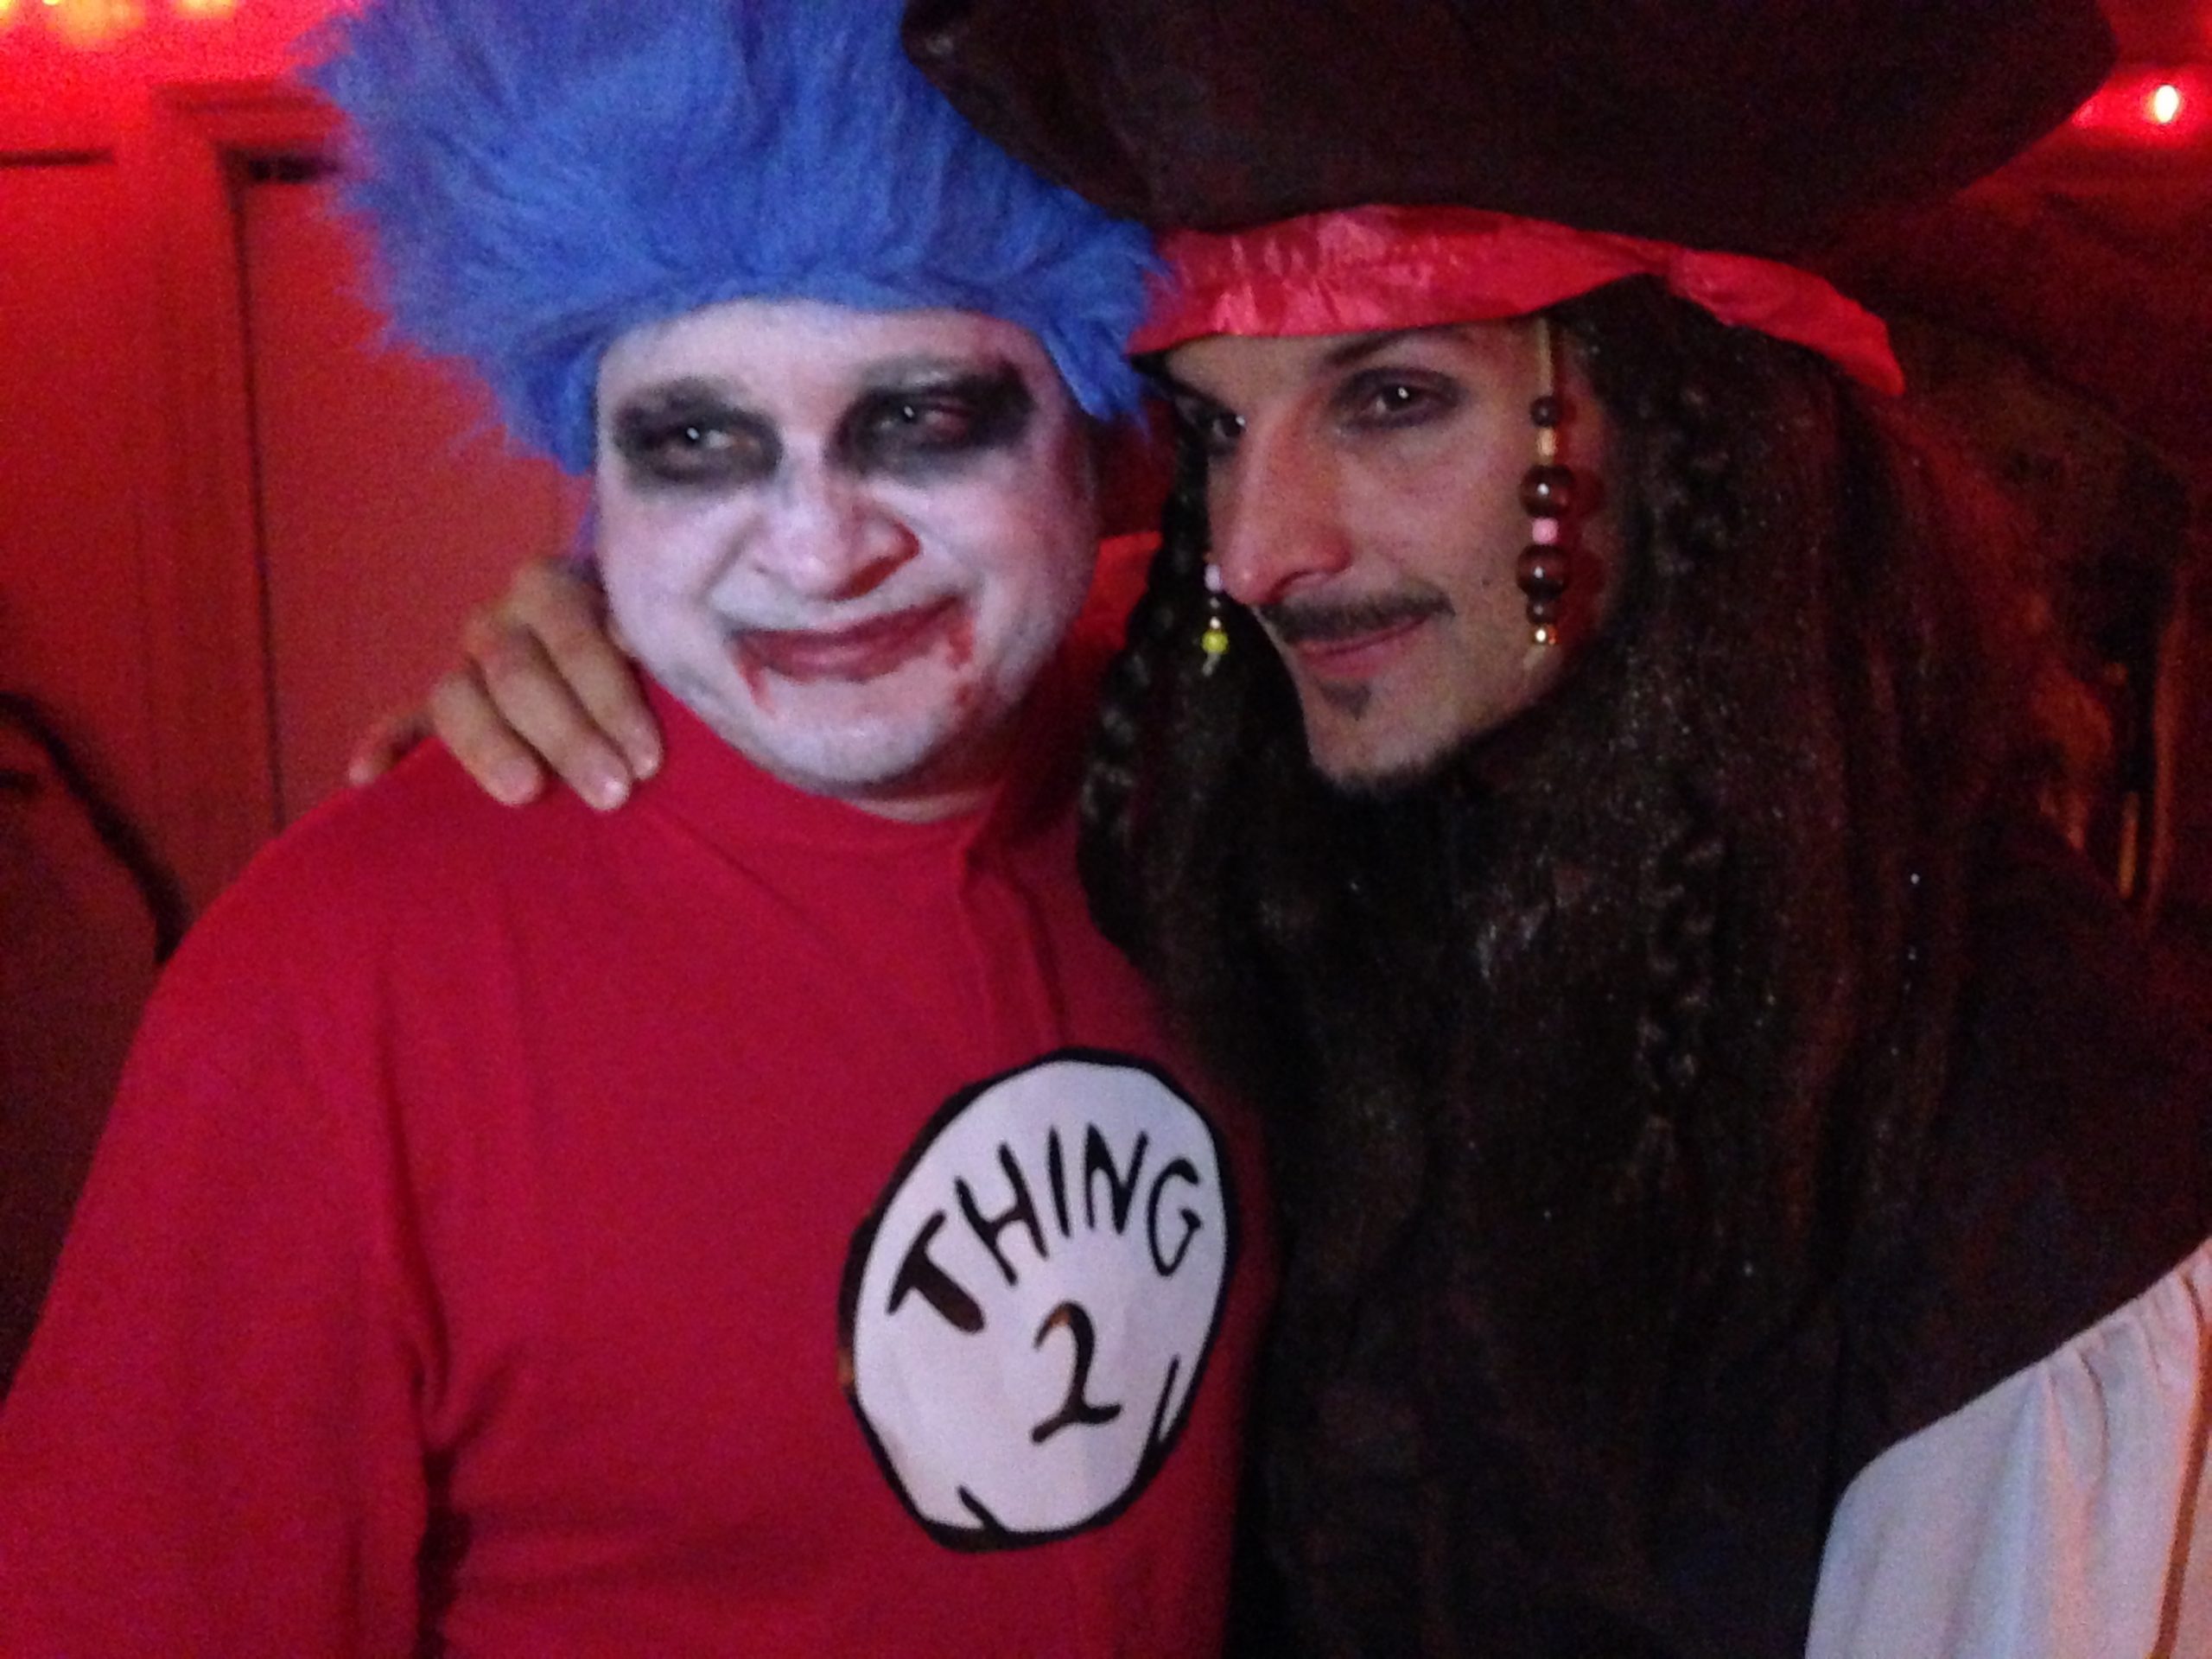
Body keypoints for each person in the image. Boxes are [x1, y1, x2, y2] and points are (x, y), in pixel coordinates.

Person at [397, 2, 2212, 1655]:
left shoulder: (2027, 1133)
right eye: (1214, 434)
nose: (1262, 553)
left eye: (1394, 400)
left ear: (1696, 431)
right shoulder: (1275, 806)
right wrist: (656, 646)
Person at [0, 0, 1272, 1652]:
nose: (816, 549)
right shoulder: (327, 993)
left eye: (922, 419)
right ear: (596, 487)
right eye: (695, 445)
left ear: (1099, 441)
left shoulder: (1236, 774)